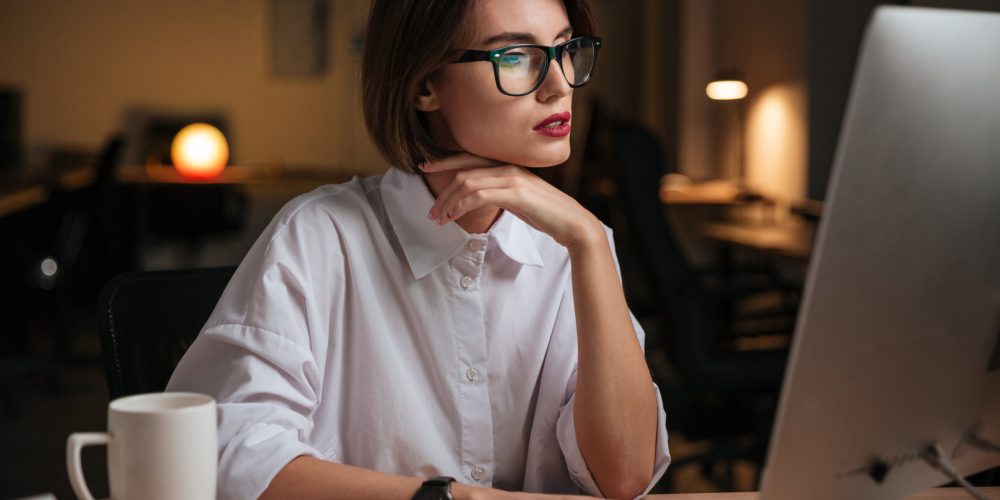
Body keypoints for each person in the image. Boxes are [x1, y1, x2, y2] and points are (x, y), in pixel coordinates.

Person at [166, 0, 671, 498]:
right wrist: (455, 497)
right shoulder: (319, 236)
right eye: (516, 57)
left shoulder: (576, 246)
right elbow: (225, 454)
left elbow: (623, 478)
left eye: (564, 49)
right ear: (426, 85)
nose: (560, 85)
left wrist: (588, 242)